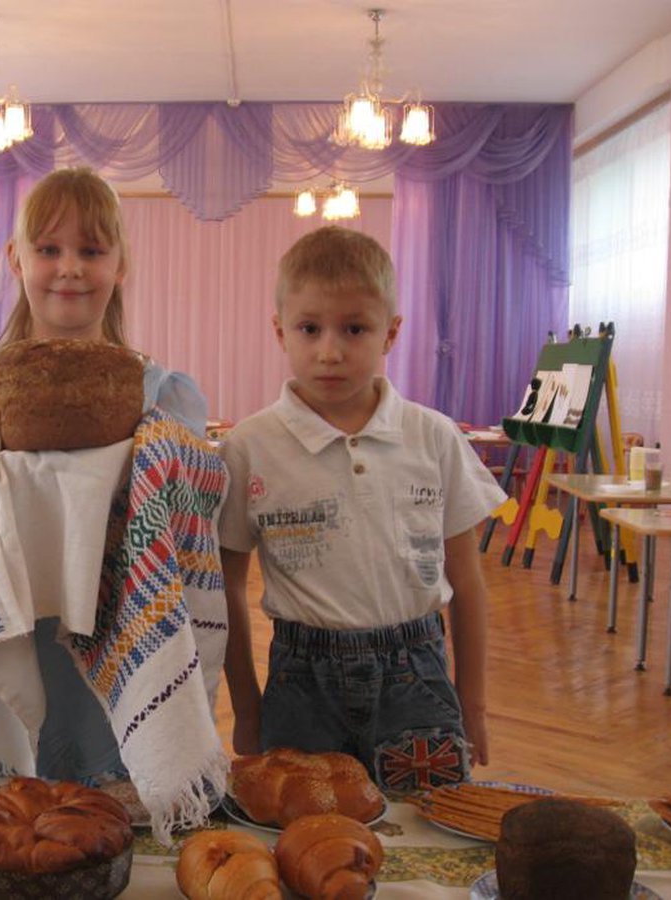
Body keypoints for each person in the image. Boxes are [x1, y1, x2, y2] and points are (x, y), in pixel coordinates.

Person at [0, 167, 213, 784]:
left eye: (91, 250)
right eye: (48, 249)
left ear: (121, 263)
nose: (69, 267)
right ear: (15, 259)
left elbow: (178, 541)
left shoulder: (165, 397)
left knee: (97, 815)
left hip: (108, 635)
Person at [219, 226, 507, 792]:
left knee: (433, 829)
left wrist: (473, 703)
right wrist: (247, 707)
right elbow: (225, 587)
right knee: (306, 839)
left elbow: (467, 581)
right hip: (301, 683)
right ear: (281, 331)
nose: (330, 350)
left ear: (390, 333)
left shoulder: (434, 437)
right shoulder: (249, 447)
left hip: (418, 677)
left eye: (354, 328)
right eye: (310, 328)